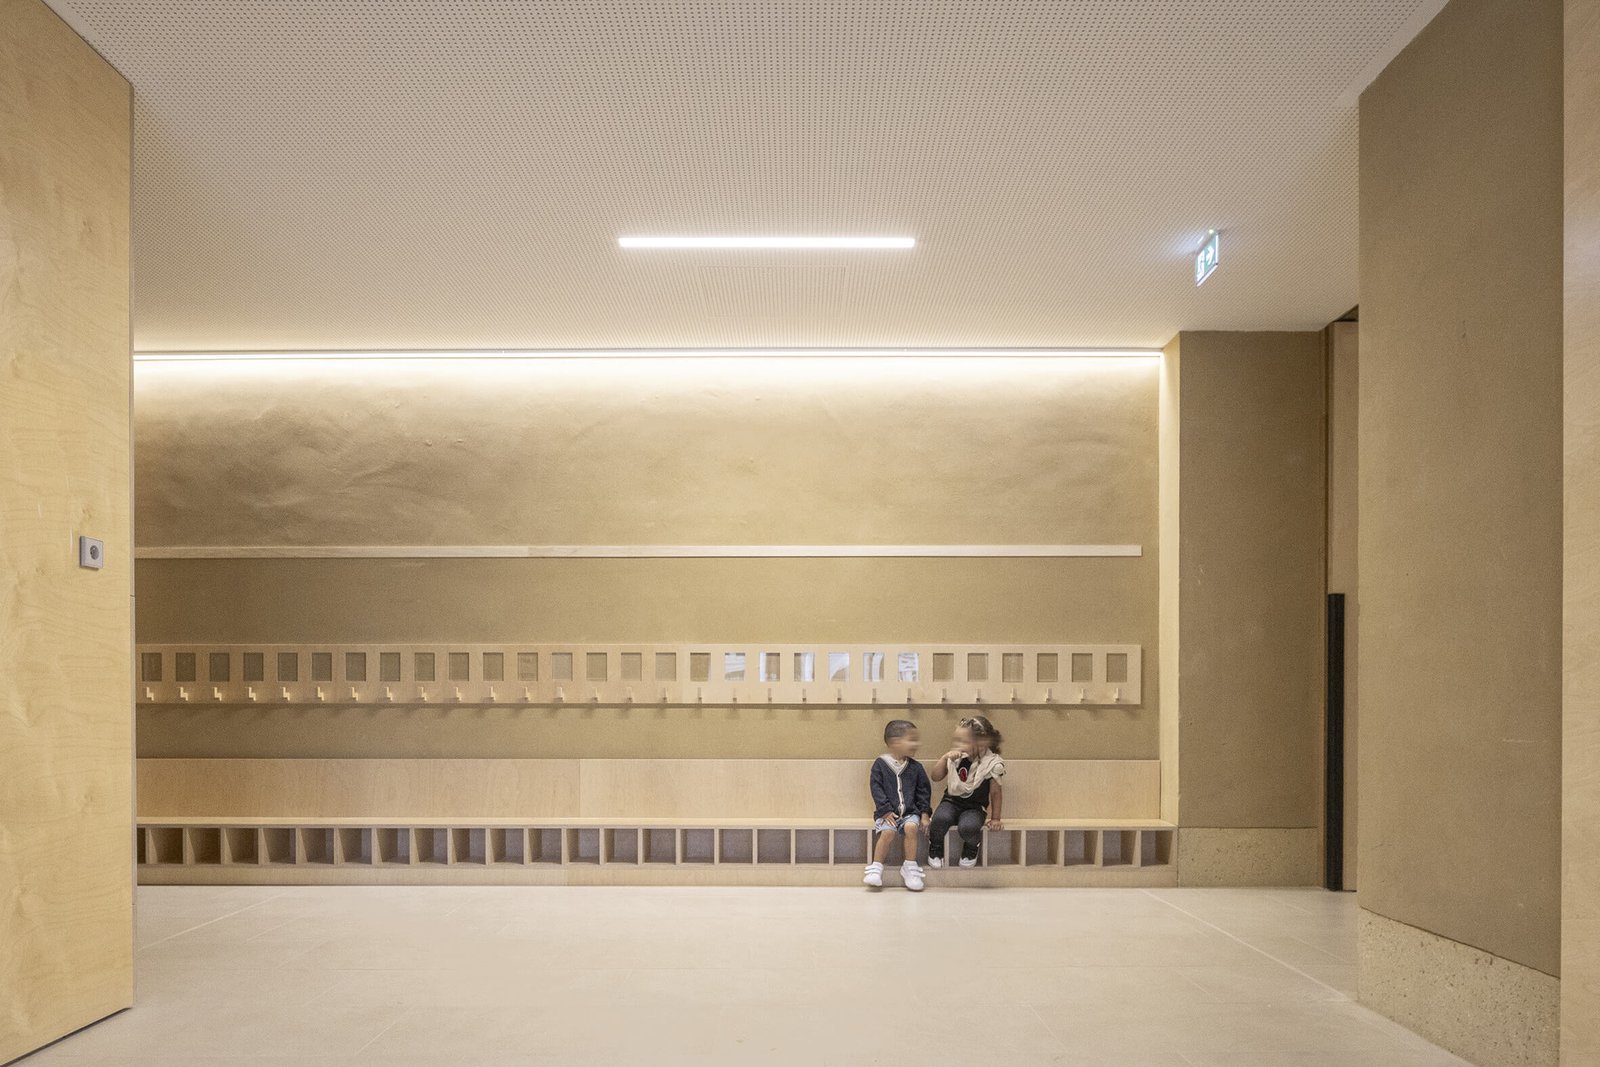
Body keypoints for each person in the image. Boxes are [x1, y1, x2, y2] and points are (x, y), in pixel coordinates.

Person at [926, 715, 1006, 869]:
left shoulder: (992, 764)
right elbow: (935, 777)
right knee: (939, 820)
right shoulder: (955, 758)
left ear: (982, 742)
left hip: (975, 807)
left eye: (964, 742)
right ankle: (935, 846)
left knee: (968, 827)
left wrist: (996, 818)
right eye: (957, 741)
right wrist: (945, 758)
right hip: (951, 802)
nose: (958, 746)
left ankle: (971, 847)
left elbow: (996, 793)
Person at [864, 719, 931, 891]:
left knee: (911, 828)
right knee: (887, 832)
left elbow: (923, 792)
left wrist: (925, 813)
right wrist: (885, 810)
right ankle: (876, 867)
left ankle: (909, 866)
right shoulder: (880, 765)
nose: (916, 744)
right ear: (896, 742)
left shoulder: (916, 768)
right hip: (887, 813)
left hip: (910, 812)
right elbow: (876, 788)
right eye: (912, 740)